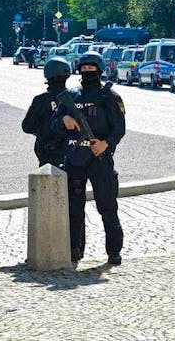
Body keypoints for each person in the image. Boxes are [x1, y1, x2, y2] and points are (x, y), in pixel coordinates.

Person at [51, 51, 127, 266]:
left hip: (100, 157)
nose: (87, 71)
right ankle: (75, 249)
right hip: (75, 158)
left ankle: (114, 251)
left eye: (91, 68)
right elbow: (53, 124)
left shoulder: (109, 96)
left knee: (108, 206)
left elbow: (119, 128)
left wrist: (107, 144)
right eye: (84, 68)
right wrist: (64, 118)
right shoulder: (71, 95)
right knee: (74, 208)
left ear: (100, 70)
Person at [21, 57, 70, 169]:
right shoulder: (75, 97)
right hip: (72, 153)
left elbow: (27, 126)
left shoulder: (41, 100)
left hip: (48, 151)